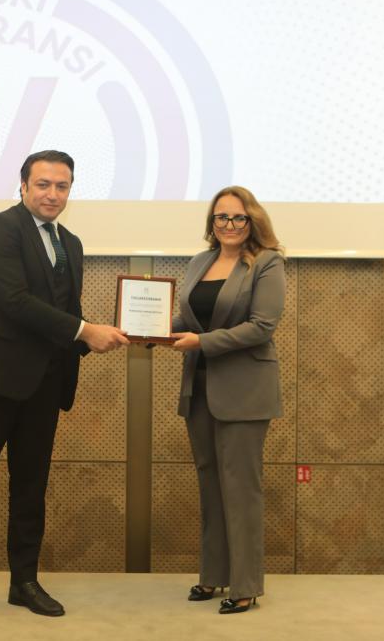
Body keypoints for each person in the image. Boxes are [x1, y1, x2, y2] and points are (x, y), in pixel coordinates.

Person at [0, 150, 130, 623]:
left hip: (43, 384)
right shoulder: (0, 228)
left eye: (62, 186)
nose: (52, 194)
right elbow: (14, 302)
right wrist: (86, 331)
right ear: (22, 186)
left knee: (31, 487)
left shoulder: (70, 242)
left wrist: (102, 338)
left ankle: (24, 581)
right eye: (43, 184)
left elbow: (63, 310)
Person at [170, 185, 285, 614]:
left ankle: (246, 584)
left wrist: (201, 342)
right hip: (199, 387)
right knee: (210, 485)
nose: (230, 224)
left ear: (252, 221)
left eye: (238, 217)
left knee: (240, 488)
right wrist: (151, 326)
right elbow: (189, 318)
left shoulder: (267, 262)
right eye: (221, 217)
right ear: (212, 222)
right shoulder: (200, 262)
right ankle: (213, 575)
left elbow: (262, 326)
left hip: (245, 390)